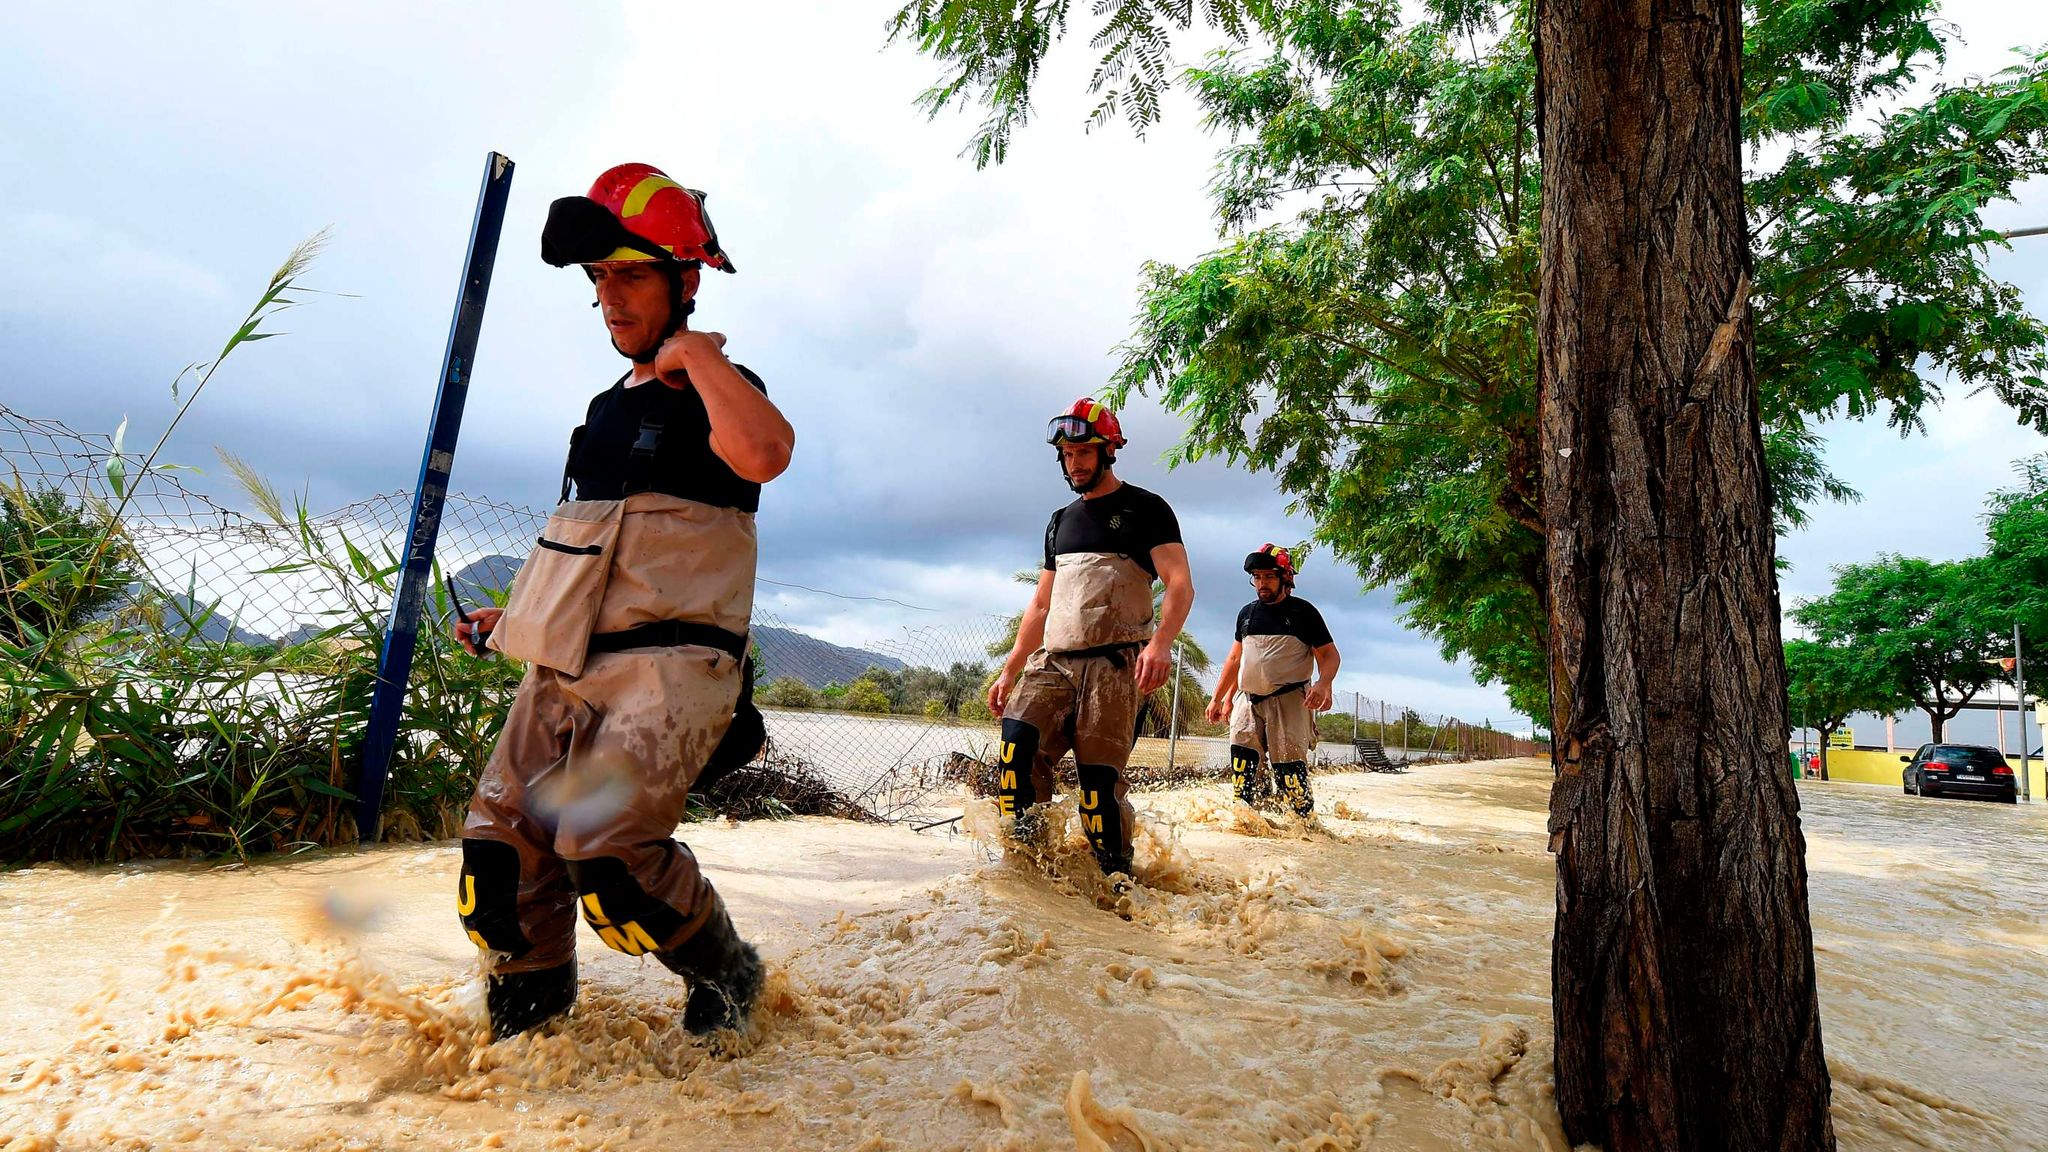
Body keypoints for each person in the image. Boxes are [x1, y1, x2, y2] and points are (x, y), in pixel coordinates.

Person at [449, 162, 794, 1040]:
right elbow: (590, 543)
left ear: (685, 280)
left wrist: (702, 359)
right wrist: (515, 615)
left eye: (631, 273)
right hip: (568, 664)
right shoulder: (603, 410)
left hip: (669, 669)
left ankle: (731, 977)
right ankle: (531, 1036)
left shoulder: (722, 386)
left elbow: (765, 454)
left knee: (605, 857)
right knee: (497, 856)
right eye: (600, 278)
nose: (610, 297)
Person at [987, 399, 1194, 881]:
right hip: (1053, 662)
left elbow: (1179, 583)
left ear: (1108, 451)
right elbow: (1040, 605)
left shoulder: (1147, 509)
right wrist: (1010, 668)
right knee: (1016, 746)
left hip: (1115, 667)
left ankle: (1115, 885)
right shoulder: (1060, 521)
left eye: (1083, 452)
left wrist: (1161, 643)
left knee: (1098, 788)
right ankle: (1028, 869)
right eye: (1066, 454)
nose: (1073, 463)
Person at [1203, 544, 1340, 817]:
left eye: (1268, 577)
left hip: (1289, 701)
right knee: (1242, 766)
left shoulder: (1304, 613)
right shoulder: (1246, 614)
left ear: (1285, 578)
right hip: (1248, 701)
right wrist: (1219, 698)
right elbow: (1234, 660)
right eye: (1257, 577)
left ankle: (1303, 826)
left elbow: (1329, 655)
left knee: (1289, 770)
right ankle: (1249, 824)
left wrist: (1324, 684)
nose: (1262, 584)